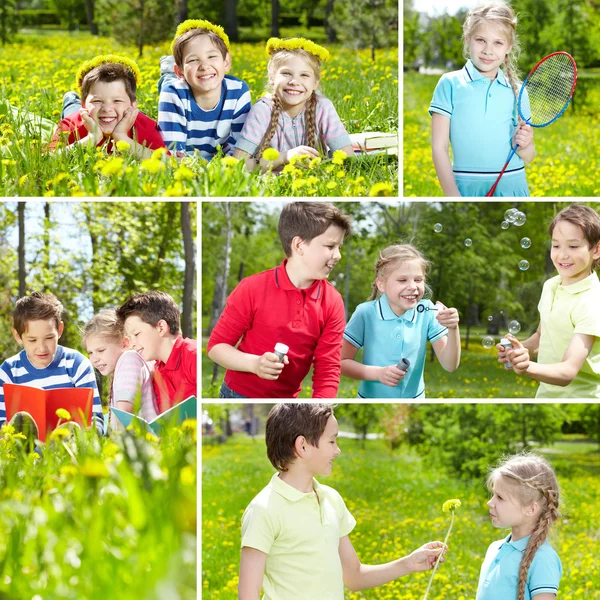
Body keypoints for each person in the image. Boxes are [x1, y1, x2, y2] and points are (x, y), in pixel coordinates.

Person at [239, 403, 447, 600]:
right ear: (302, 446)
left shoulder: (331, 499)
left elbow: (354, 576)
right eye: (331, 441)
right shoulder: (264, 509)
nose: (337, 450)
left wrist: (409, 563)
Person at [207, 202, 351, 399]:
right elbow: (216, 347)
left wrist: (319, 407)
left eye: (339, 247)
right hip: (238, 394)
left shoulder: (332, 301)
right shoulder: (253, 287)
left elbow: (328, 369)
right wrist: (254, 364)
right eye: (330, 246)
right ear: (299, 245)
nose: (338, 255)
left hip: (288, 402)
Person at [430, 1, 534, 196]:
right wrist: (453, 196)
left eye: (498, 42)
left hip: (511, 186)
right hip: (466, 187)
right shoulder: (450, 84)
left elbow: (529, 156)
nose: (488, 50)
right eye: (480, 40)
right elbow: (439, 148)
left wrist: (524, 144)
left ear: (509, 47)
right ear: (468, 39)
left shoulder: (519, 92)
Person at [498, 204, 600, 397]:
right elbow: (541, 336)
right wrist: (519, 350)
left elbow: (568, 371)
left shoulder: (592, 301)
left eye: (573, 246)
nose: (562, 254)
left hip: (580, 398)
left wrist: (527, 367)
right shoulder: (551, 286)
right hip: (544, 395)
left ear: (596, 250)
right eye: (556, 245)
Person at [341, 244, 460, 398]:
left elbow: (450, 365)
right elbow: (341, 362)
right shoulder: (366, 313)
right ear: (381, 284)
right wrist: (378, 373)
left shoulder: (427, 312)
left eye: (418, 279)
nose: (413, 287)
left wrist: (453, 328)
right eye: (402, 280)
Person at [233, 37, 353, 172]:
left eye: (304, 75)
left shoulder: (323, 108)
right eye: (286, 73)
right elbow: (238, 164)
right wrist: (285, 157)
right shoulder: (262, 110)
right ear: (272, 77)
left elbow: (347, 156)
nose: (294, 81)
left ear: (315, 82)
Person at [0, 292, 104, 434]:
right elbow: (2, 424)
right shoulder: (8, 371)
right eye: (32, 340)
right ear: (18, 336)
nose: (42, 348)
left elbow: (96, 420)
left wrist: (87, 432)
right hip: (26, 449)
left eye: (49, 338)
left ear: (60, 330)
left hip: (69, 446)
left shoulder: (77, 364)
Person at [157, 19, 251, 160]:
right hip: (179, 88)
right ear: (180, 71)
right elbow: (173, 151)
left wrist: (224, 167)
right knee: (168, 82)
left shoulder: (239, 91)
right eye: (193, 60)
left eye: (212, 56)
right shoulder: (172, 93)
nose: (204, 66)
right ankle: (169, 71)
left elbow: (239, 145)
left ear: (226, 62)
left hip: (215, 156)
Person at [477, 453, 561, 600]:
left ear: (531, 509)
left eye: (500, 497)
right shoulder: (494, 548)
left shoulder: (542, 559)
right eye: (493, 495)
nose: (489, 503)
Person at [47, 55, 165, 157]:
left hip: (130, 116)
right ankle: (71, 99)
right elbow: (46, 159)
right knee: (71, 108)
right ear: (83, 105)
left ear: (132, 106)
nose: (107, 109)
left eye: (117, 100)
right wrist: (92, 137)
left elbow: (169, 163)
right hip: (77, 115)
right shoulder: (70, 125)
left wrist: (122, 137)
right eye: (97, 101)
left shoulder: (146, 126)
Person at [116, 291, 197, 411]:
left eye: (136, 334)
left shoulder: (193, 355)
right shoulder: (157, 372)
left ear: (161, 328)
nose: (132, 343)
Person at [82, 309, 157, 431]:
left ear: (124, 343)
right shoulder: (135, 360)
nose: (94, 359)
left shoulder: (128, 360)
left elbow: (123, 417)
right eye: (90, 352)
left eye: (101, 350)